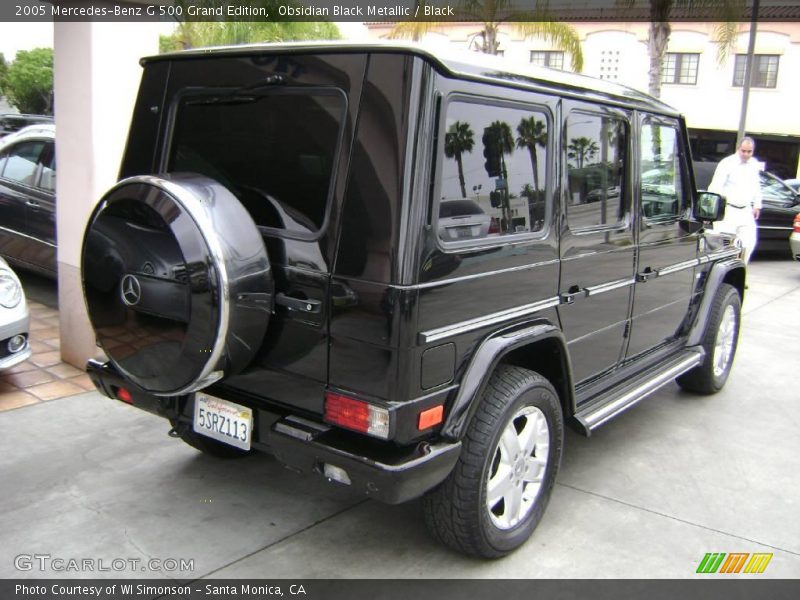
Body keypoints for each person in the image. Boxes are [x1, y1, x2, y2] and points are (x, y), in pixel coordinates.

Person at [708, 137, 762, 264]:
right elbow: (716, 186)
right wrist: (712, 208)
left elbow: (757, 186)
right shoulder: (727, 163)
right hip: (728, 210)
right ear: (738, 149)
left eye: (749, 151)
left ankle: (740, 269)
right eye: (744, 151)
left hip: (745, 210)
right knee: (724, 245)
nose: (746, 154)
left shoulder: (754, 164)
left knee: (748, 243)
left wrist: (757, 205)